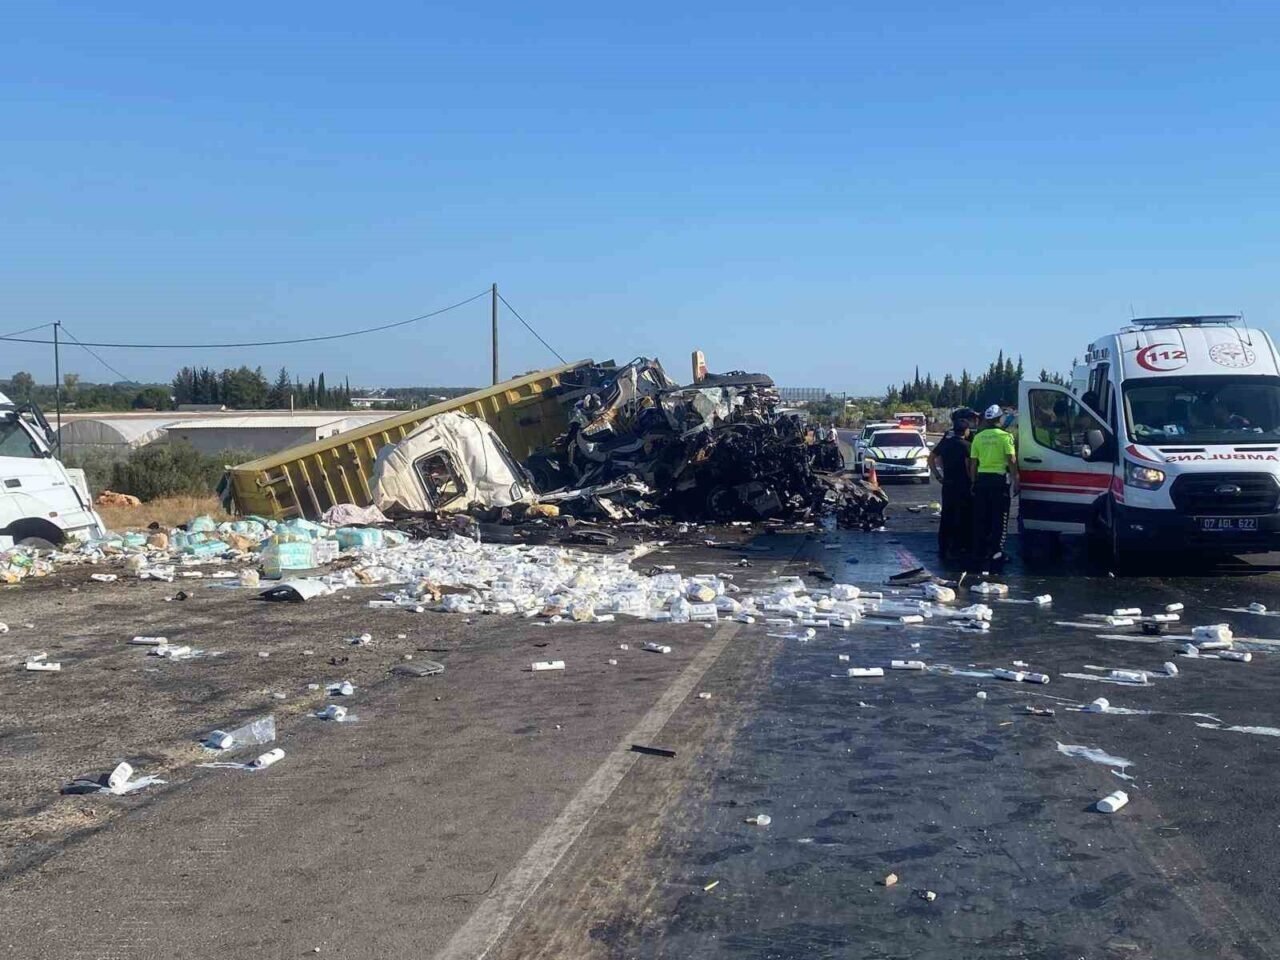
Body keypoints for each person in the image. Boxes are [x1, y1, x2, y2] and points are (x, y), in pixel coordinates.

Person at [968, 404, 1019, 568]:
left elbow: (973, 463)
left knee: (981, 517)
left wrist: (973, 482)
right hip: (999, 481)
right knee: (1000, 518)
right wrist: (1016, 479)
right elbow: (1011, 460)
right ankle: (997, 552)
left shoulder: (978, 437)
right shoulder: (1005, 436)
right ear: (1000, 418)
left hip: (982, 480)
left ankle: (980, 551)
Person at [929, 408, 977, 561]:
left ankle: (944, 546)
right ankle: (961, 546)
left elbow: (932, 457)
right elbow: (969, 466)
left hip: (948, 484)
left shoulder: (947, 441)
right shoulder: (968, 445)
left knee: (947, 515)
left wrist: (938, 475)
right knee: (964, 515)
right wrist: (973, 482)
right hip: (963, 484)